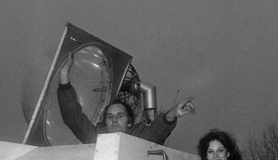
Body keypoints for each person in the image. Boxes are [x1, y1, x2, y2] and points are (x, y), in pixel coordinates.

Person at [57, 53, 195, 144]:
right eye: (110, 116)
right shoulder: (95, 138)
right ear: (105, 122)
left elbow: (157, 131)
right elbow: (73, 117)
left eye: (120, 116)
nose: (114, 120)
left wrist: (172, 114)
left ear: (129, 122)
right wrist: (63, 75)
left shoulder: (139, 139)